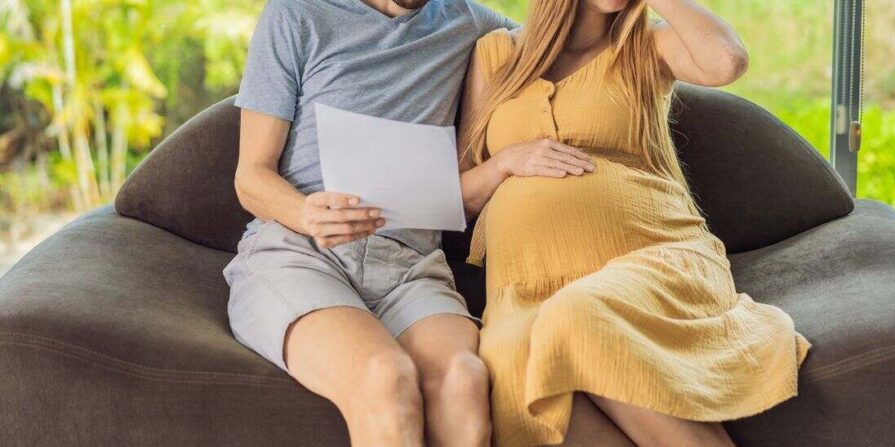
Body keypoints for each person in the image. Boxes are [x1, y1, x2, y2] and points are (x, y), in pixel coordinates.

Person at [456, 0, 813, 446]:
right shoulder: (495, 55)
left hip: (649, 258)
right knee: (513, 368)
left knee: (579, 316)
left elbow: (727, 61)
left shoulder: (647, 45)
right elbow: (459, 196)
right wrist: (505, 163)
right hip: (524, 287)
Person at [223, 1, 516, 446]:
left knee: (463, 378)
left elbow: (571, 34)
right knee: (386, 375)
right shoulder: (295, 14)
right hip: (300, 253)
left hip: (409, 266)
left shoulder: (466, 19)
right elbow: (250, 177)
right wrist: (306, 213)